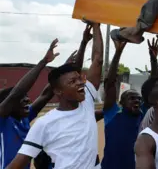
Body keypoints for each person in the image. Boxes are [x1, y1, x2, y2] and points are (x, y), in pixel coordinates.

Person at [7, 23, 104, 169]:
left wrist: (96, 26)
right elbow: (17, 164)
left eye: (80, 78)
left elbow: (98, 60)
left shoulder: (87, 99)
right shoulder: (44, 124)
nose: (80, 83)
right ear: (58, 91)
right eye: (73, 81)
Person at [0, 40, 58, 169]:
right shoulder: (2, 121)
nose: (27, 100)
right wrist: (43, 62)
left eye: (27, 97)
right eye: (22, 98)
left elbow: (46, 95)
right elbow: (17, 92)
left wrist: (63, 70)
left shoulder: (24, 118)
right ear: (9, 105)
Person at [101, 39, 145, 169]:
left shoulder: (144, 116)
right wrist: (118, 52)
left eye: (138, 99)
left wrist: (153, 60)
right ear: (121, 102)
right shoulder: (113, 113)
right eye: (131, 98)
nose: (137, 100)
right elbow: (109, 83)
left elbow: (153, 87)